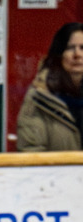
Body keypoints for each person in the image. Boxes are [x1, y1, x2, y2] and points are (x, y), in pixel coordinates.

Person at [16, 22, 83, 152]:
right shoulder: (39, 97)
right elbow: (31, 154)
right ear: (58, 54)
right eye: (70, 48)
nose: (77, 54)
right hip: (58, 172)